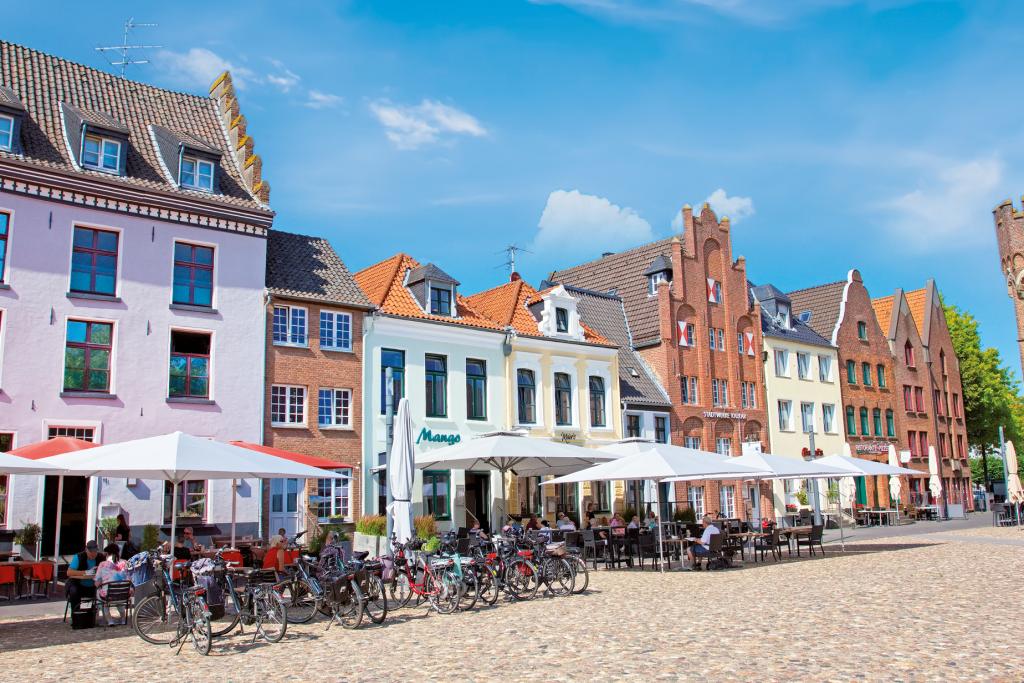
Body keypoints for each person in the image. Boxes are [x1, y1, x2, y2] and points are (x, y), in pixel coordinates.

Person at [95, 544, 130, 626]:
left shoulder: (102, 564)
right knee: (118, 593)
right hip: (124, 594)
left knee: (99, 592)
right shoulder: (125, 563)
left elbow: (97, 583)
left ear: (107, 554)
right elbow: (130, 578)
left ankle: (110, 620)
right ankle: (122, 619)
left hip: (108, 596)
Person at [66, 540, 104, 613]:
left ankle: (90, 615)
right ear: (86, 550)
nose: (93, 554)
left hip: (94, 586)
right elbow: (69, 572)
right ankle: (76, 615)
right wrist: (85, 572)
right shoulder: (79, 557)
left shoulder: (101, 557)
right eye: (91, 552)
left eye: (95, 552)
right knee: (74, 591)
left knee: (102, 592)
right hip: (79, 585)